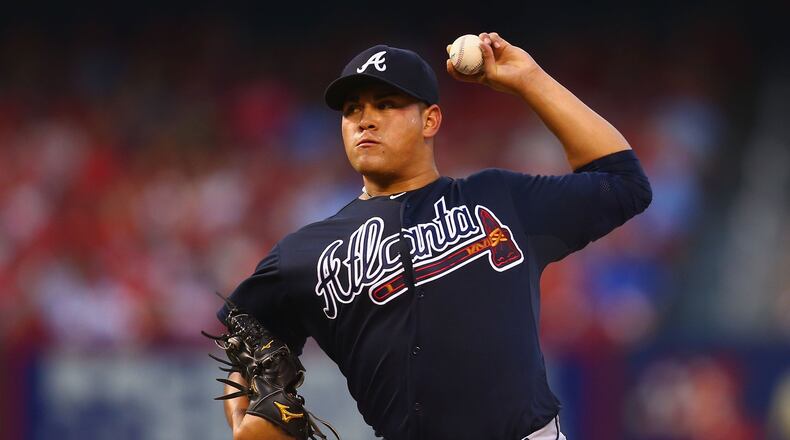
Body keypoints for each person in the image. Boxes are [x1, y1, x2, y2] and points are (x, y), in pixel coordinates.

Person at [218, 32, 652, 440]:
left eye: (386, 104)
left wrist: (529, 79)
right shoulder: (303, 254)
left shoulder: (498, 198)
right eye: (352, 110)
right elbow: (245, 343)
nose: (364, 120)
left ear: (430, 120)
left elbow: (622, 182)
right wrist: (243, 422)